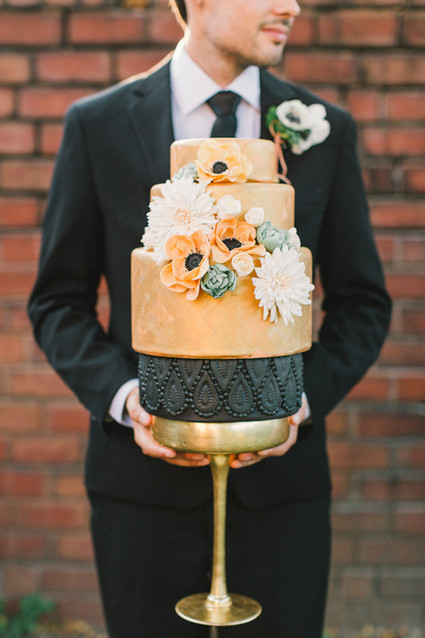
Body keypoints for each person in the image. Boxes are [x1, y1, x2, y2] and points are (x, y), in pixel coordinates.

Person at [28, 0, 392, 636]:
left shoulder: (322, 129)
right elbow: (58, 301)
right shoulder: (98, 124)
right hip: (141, 493)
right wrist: (127, 399)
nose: (291, 6)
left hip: (282, 495)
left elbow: (364, 303)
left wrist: (296, 402)